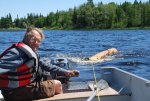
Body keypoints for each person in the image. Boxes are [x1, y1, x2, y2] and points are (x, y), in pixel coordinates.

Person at [0, 27, 79, 101]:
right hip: (14, 93)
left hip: (20, 89)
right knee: (57, 84)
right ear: (27, 38)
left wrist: (65, 71)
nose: (37, 43)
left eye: (39, 41)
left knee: (47, 77)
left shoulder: (30, 53)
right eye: (34, 39)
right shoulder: (17, 53)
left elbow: (45, 65)